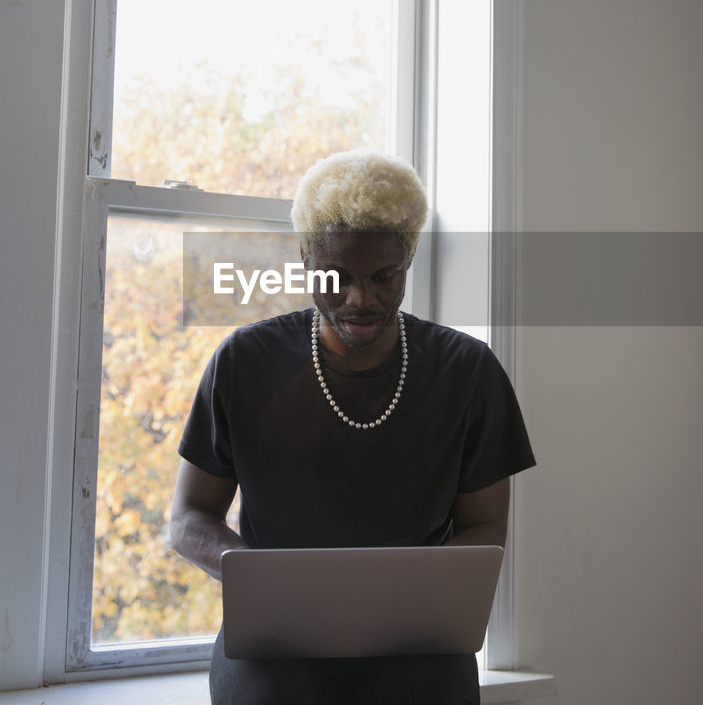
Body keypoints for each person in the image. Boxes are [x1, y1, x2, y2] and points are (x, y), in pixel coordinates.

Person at [171, 148, 536, 704]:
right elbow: (189, 518)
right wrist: (264, 582)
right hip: (278, 644)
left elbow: (486, 530)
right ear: (303, 258)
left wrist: (403, 595)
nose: (359, 298)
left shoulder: (468, 370)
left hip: (417, 644)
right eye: (335, 276)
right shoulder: (244, 362)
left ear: (409, 257)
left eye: (383, 276)